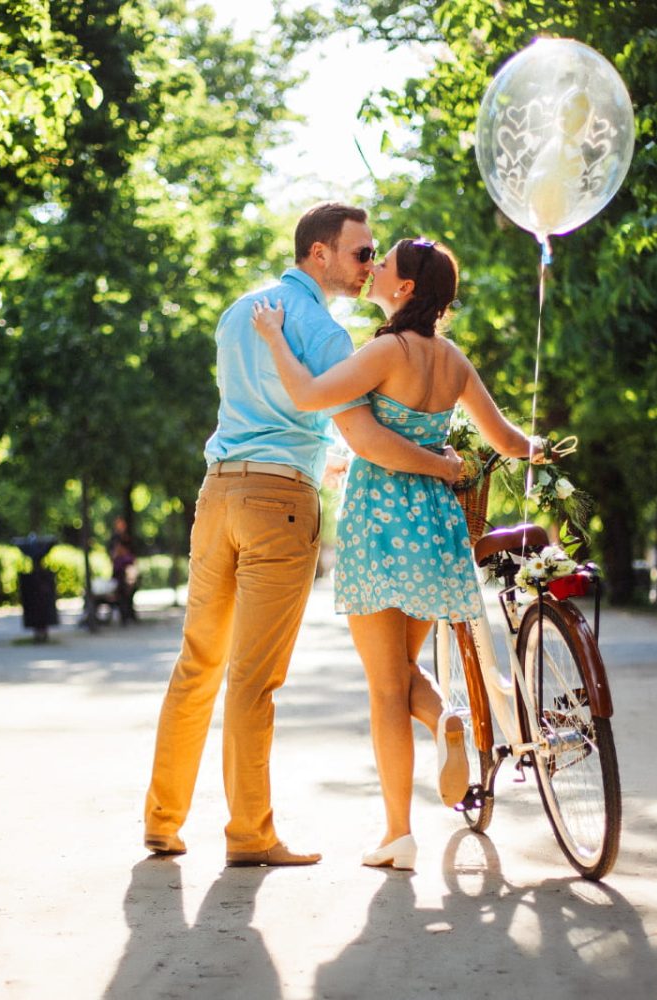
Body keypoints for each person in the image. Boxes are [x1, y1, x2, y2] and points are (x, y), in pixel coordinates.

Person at [142, 203, 463, 868]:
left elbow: (260, 409)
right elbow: (363, 432)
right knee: (253, 678)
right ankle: (250, 834)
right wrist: (441, 466)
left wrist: (319, 447)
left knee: (197, 661)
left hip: (218, 493)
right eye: (359, 253)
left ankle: (163, 820)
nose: (369, 264)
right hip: (279, 504)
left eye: (374, 255)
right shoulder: (328, 335)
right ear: (319, 254)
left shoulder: (239, 312)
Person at [251, 238, 537, 870]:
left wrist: (275, 338)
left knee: (385, 689)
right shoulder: (453, 359)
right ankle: (447, 724)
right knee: (401, 673)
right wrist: (543, 450)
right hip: (436, 527)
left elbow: (310, 396)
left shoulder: (386, 350)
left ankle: (400, 831)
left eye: (384, 266)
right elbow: (508, 440)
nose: (373, 268)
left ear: (405, 289)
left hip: (379, 524)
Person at [108, 516, 138, 623]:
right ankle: (124, 616)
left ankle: (129, 615)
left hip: (128, 570)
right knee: (121, 593)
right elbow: (112, 554)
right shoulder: (115, 538)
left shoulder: (127, 537)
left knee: (129, 593)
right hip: (120, 571)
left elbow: (133, 555)